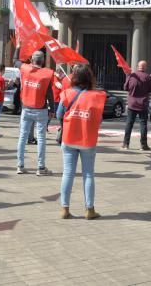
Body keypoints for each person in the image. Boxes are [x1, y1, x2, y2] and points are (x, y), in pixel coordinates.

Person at [58, 64, 106, 220]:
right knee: (88, 174)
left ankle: (64, 209)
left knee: (68, 173)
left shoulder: (66, 94)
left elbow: (59, 114)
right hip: (87, 140)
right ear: (89, 78)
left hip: (69, 138)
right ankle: (89, 209)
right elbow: (99, 120)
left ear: (74, 77)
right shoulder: (97, 96)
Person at [17, 51, 55, 175]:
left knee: (22, 137)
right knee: (42, 138)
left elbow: (14, 60)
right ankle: (41, 167)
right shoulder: (47, 74)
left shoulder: (25, 68)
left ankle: (20, 165)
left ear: (32, 60)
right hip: (41, 109)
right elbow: (49, 93)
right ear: (43, 61)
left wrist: (18, 47)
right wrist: (52, 109)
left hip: (26, 108)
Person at [122, 60, 151, 151]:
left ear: (137, 67)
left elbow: (125, 88)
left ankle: (126, 144)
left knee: (129, 123)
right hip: (142, 104)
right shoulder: (148, 77)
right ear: (145, 67)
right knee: (143, 124)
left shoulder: (131, 76)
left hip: (132, 104)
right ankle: (143, 145)